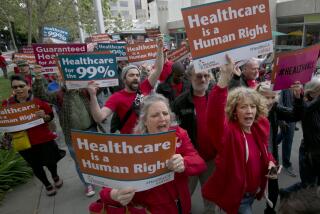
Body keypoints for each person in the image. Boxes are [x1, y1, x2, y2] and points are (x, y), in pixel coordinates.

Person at [91, 94, 207, 213]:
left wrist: (184, 162)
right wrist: (115, 195)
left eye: (165, 113)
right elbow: (106, 190)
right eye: (155, 115)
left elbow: (200, 163)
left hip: (182, 205)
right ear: (145, 121)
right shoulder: (132, 147)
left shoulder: (179, 134)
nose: (162, 118)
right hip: (152, 210)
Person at [202, 55, 276, 214]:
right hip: (238, 198)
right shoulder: (229, 133)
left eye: (252, 106)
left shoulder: (258, 128)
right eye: (243, 107)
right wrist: (223, 79)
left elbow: (265, 152)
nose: (249, 111)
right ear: (234, 111)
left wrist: (271, 163)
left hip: (253, 193)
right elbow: (214, 117)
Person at [32, 70, 99, 197]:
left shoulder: (85, 90)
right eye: (66, 78)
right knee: (79, 161)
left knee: (96, 157)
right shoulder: (58, 93)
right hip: (72, 135)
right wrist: (39, 78)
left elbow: (103, 85)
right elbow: (41, 95)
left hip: (91, 130)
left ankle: (99, 177)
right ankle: (87, 184)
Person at [87, 35, 164, 134]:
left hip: (148, 138)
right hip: (129, 143)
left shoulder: (145, 87)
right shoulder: (116, 97)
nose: (136, 77)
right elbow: (99, 117)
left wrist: (160, 48)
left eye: (137, 75)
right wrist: (93, 95)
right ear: (124, 79)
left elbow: (158, 69)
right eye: (131, 75)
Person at [2, 75, 64, 196]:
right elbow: (5, 122)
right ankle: (47, 184)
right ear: (12, 89)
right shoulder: (7, 105)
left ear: (28, 86)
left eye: (21, 86)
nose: (18, 89)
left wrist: (44, 116)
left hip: (43, 139)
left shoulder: (38, 101)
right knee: (35, 166)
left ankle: (55, 176)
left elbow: (50, 116)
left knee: (51, 161)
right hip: (24, 142)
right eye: (15, 87)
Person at [172, 63, 216, 213]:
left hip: (211, 159)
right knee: (184, 196)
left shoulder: (217, 99)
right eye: (198, 76)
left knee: (211, 197)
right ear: (190, 77)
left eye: (206, 76)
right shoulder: (180, 102)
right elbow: (173, 132)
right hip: (189, 160)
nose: (203, 79)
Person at [257, 81, 302, 214]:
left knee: (273, 189)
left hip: (271, 157)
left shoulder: (275, 108)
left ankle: (270, 211)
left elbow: (295, 115)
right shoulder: (249, 110)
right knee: (247, 191)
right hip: (252, 158)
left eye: (273, 97)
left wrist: (298, 98)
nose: (270, 101)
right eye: (266, 97)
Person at [280, 77, 320, 196]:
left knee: (314, 185)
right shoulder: (307, 107)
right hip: (310, 156)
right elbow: (299, 111)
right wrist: (298, 97)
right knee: (307, 185)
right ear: (313, 93)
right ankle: (285, 193)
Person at [276, 89, 297, 177]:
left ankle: (273, 143)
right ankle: (286, 164)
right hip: (286, 117)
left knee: (284, 134)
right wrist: (281, 119)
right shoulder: (284, 84)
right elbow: (278, 102)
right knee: (288, 140)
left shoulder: (299, 84)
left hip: (294, 115)